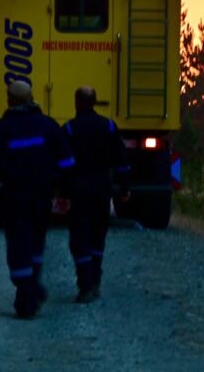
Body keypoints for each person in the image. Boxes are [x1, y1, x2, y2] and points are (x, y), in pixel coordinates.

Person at [0, 81, 75, 318]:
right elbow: (66, 163)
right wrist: (64, 191)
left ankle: (26, 292)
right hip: (42, 196)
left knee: (18, 243)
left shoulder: (0, 129)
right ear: (31, 98)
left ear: (9, 100)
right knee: (37, 241)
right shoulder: (48, 126)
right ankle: (32, 286)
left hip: (14, 197)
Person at [62, 86, 130, 303]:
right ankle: (95, 280)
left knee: (79, 238)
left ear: (77, 102)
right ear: (94, 102)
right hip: (102, 190)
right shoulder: (108, 126)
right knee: (98, 236)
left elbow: (62, 164)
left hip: (79, 191)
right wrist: (124, 187)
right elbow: (121, 160)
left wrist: (60, 191)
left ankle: (85, 285)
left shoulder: (69, 129)